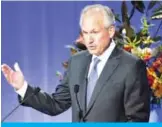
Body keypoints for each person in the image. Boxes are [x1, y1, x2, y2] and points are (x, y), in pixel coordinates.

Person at [1, 4, 150, 122]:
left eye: (94, 32)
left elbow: (137, 120)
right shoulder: (77, 62)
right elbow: (56, 104)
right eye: (85, 33)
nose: (89, 40)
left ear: (111, 31)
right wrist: (22, 87)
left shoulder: (131, 66)